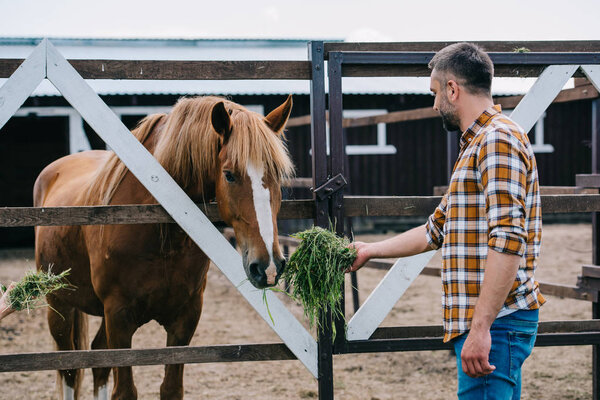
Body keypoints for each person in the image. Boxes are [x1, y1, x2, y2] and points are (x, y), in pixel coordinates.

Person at [348, 42, 544, 400]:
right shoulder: (476, 145)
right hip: (490, 324)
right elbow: (435, 230)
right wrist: (369, 250)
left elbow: (509, 238)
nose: (435, 104)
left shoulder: (496, 141)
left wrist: (481, 328)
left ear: (453, 89)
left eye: (436, 92)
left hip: (495, 325)